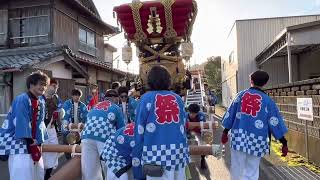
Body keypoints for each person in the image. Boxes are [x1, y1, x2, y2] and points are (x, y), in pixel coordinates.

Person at [221, 70, 288, 180]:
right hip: (258, 140)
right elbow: (274, 122)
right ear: (265, 83)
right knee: (252, 170)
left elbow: (230, 114)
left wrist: (225, 132)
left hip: (238, 137)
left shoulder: (240, 95)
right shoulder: (268, 101)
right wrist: (283, 142)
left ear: (251, 81)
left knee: (237, 168)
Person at [132, 66, 189, 180]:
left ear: (149, 81)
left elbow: (139, 131)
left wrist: (137, 157)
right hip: (179, 152)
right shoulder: (177, 99)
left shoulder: (145, 99)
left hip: (155, 156)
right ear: (168, 80)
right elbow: (184, 125)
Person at [0, 71, 49, 180]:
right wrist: (31, 142)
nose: (43, 87)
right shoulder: (22, 99)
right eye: (41, 84)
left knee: (38, 176)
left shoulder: (40, 101)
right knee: (22, 176)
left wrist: (39, 141)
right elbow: (21, 122)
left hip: (32, 146)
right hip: (19, 146)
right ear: (31, 84)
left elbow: (40, 124)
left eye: (45, 85)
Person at [81, 89, 125, 180]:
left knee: (90, 169)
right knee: (109, 166)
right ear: (115, 98)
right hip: (104, 137)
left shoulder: (95, 106)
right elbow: (121, 130)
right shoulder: (116, 107)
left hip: (86, 136)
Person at [41, 79, 64, 180]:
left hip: (51, 128)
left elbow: (60, 110)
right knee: (40, 152)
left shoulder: (56, 98)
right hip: (40, 130)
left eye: (56, 86)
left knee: (54, 150)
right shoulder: (40, 97)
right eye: (53, 85)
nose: (55, 88)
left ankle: (48, 174)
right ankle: (40, 173)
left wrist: (59, 115)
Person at [61, 89, 88, 159]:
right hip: (68, 127)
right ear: (72, 96)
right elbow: (65, 117)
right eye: (75, 95)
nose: (77, 97)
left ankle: (76, 159)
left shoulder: (83, 106)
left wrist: (81, 127)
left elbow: (86, 117)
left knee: (77, 145)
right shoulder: (67, 104)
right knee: (66, 145)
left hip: (78, 128)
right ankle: (68, 160)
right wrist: (68, 127)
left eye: (78, 96)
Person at [186, 103, 207, 169]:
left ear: (197, 113)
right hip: (188, 131)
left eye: (194, 113)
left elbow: (203, 128)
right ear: (188, 111)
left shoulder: (201, 116)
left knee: (203, 143)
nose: (192, 115)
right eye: (191, 113)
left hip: (199, 131)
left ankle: (203, 159)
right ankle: (185, 161)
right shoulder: (185, 116)